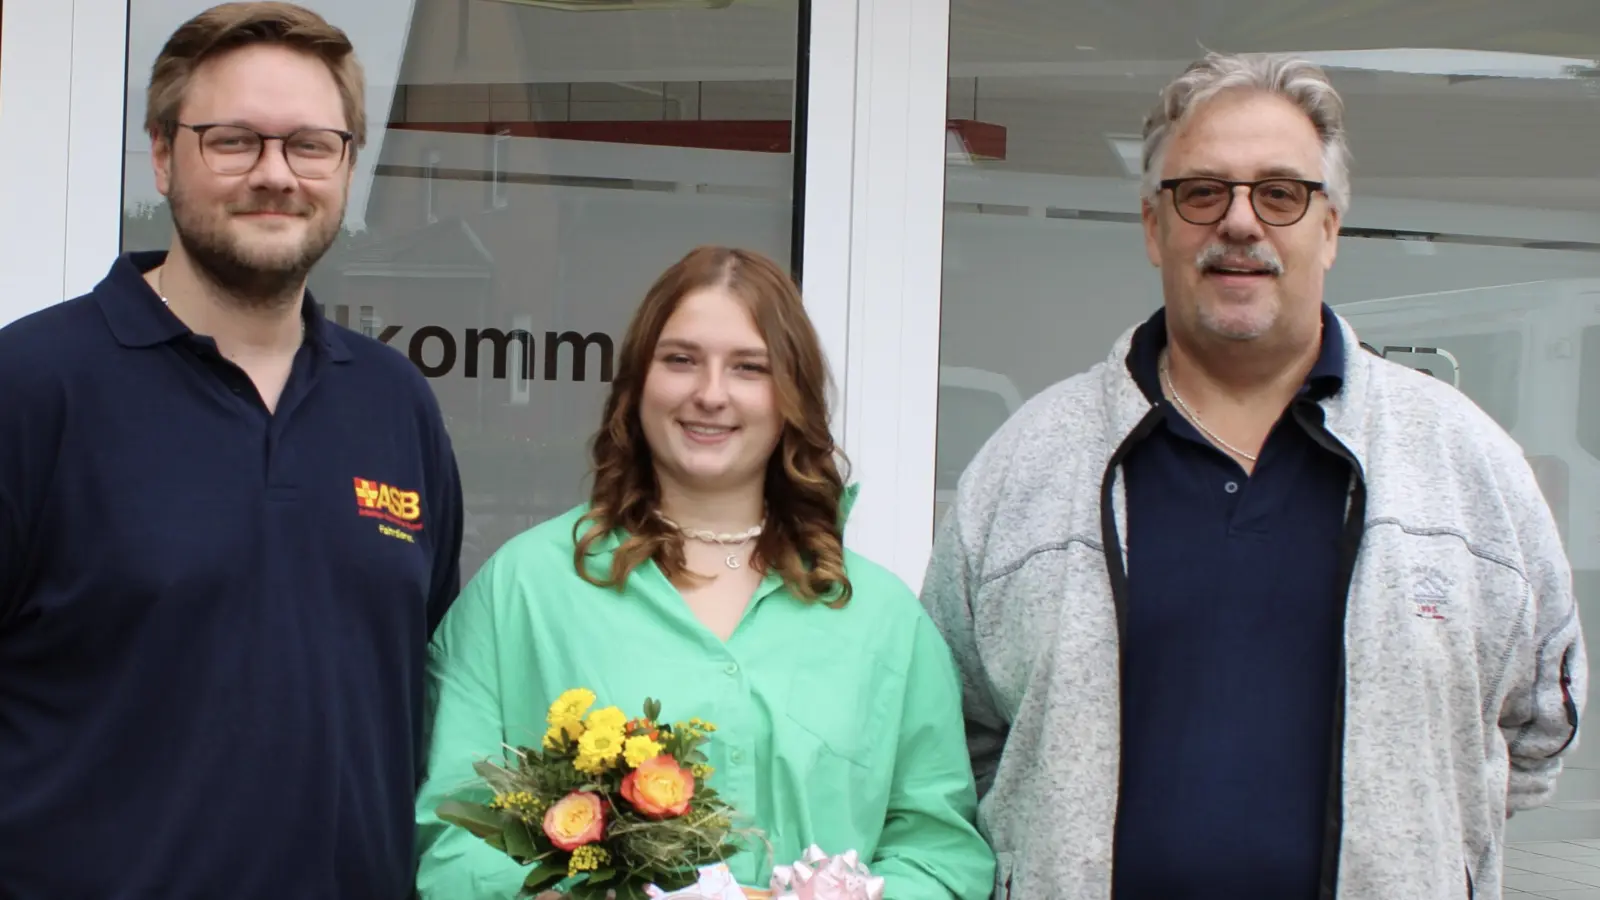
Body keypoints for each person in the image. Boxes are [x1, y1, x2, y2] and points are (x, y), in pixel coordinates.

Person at [920, 51, 1586, 900]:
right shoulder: (1027, 466)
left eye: (1281, 193)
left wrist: (1425, 845)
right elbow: (949, 734)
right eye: (1203, 192)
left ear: (1331, 227)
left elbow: (1535, 732)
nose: (1240, 222)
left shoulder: (1463, 461)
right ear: (1154, 225)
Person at [0, 3, 463, 897]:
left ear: (348, 166)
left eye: (310, 145)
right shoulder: (33, 387)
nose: (275, 174)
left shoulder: (393, 404)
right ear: (165, 156)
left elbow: (421, 696)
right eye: (234, 141)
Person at [414, 246, 994, 899]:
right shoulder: (523, 592)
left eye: (749, 367)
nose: (710, 394)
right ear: (636, 385)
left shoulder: (881, 620)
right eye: (681, 360)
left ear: (790, 397)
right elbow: (452, 842)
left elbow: (942, 855)